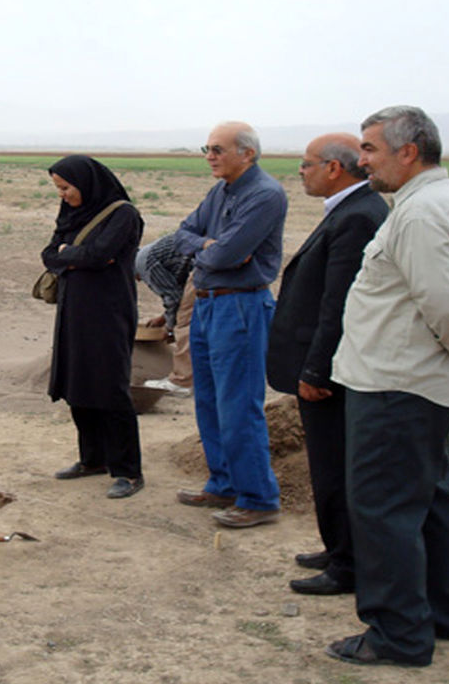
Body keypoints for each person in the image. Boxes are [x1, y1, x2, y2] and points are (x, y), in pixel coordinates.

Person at [326, 105, 449, 667]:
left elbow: (444, 301)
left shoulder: (422, 213)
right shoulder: (446, 202)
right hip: (416, 383)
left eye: (368, 149)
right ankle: (445, 614)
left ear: (407, 152)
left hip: (397, 385)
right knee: (428, 502)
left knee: (383, 509)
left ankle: (398, 635)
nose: (360, 161)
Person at [266, 133, 388, 596]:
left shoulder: (358, 217)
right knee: (328, 464)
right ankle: (339, 547)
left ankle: (348, 566)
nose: (301, 170)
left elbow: (338, 304)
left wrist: (316, 371)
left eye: (307, 163)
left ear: (335, 168)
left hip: (329, 371)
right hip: (327, 364)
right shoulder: (349, 210)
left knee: (334, 467)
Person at [173, 121, 286, 526]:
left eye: (218, 149)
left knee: (239, 404)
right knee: (208, 399)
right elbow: (184, 235)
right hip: (207, 306)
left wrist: (212, 251)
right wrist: (209, 246)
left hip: (240, 307)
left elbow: (225, 258)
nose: (210, 156)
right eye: (207, 148)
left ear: (248, 154)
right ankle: (223, 483)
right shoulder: (220, 191)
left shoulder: (265, 195)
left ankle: (258, 498)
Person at [44, 155, 145, 499]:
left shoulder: (123, 215)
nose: (62, 195)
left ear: (86, 184)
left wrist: (68, 254)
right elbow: (48, 254)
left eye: (66, 187)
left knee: (111, 387)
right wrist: (74, 254)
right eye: (58, 188)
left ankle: (128, 471)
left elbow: (100, 255)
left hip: (109, 312)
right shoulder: (73, 213)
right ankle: (93, 459)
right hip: (73, 312)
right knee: (78, 383)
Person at [135, 232, 194, 397]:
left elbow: (173, 298)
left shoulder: (143, 265)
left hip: (204, 268)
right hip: (207, 265)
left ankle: (181, 382)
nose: (139, 281)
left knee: (184, 324)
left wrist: (169, 328)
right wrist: (163, 318)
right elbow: (181, 293)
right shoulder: (145, 254)